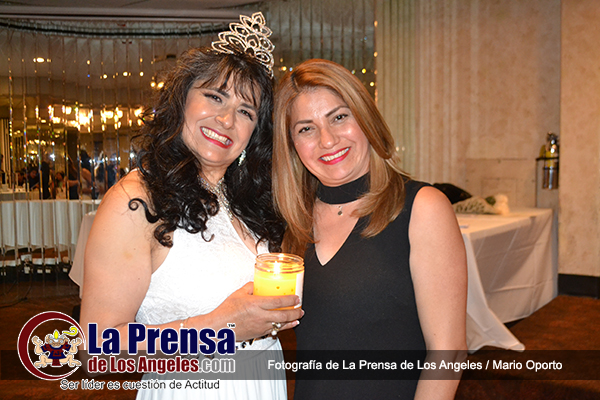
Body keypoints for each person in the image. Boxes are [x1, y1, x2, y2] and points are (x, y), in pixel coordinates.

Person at [80, 12, 302, 400]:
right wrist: (220, 327)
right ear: (182, 100)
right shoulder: (135, 201)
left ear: (254, 132)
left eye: (246, 111)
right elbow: (96, 348)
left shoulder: (252, 199)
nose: (226, 119)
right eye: (215, 96)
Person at [272, 59, 468, 399]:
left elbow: (448, 352)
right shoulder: (294, 220)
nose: (327, 140)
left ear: (365, 117)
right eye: (306, 129)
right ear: (291, 144)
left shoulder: (422, 207)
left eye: (339, 117)